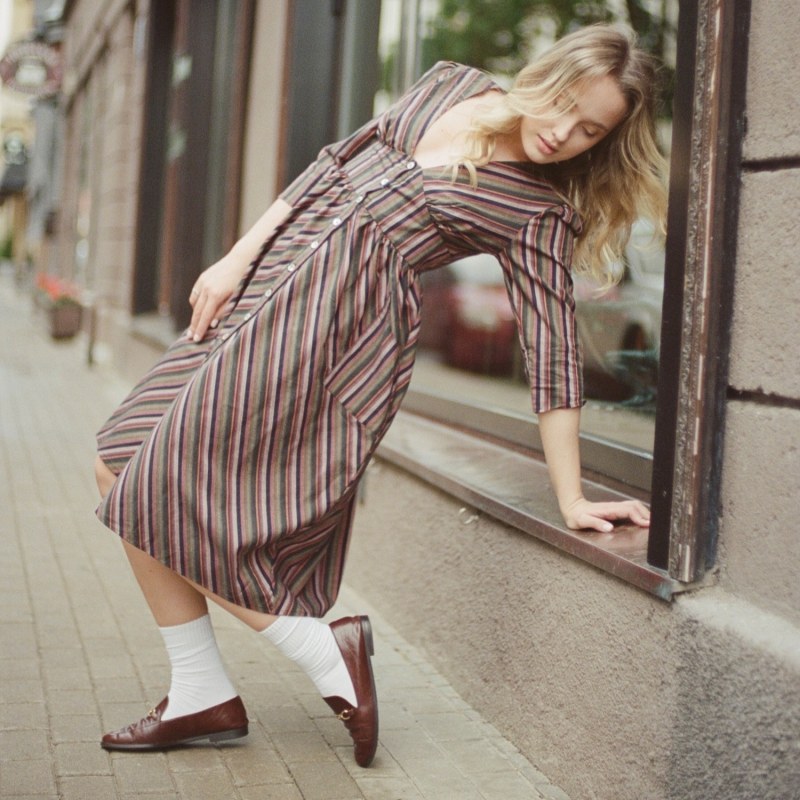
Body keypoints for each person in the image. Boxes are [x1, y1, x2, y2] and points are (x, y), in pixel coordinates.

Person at [93, 24, 666, 767]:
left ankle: (312, 658)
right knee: (118, 458)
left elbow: (553, 353)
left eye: (591, 130)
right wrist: (236, 256)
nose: (563, 132)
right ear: (542, 76)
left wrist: (573, 497)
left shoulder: (539, 212)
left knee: (157, 487)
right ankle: (211, 687)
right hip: (268, 284)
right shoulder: (451, 85)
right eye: (563, 105)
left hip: (332, 337)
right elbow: (330, 169)